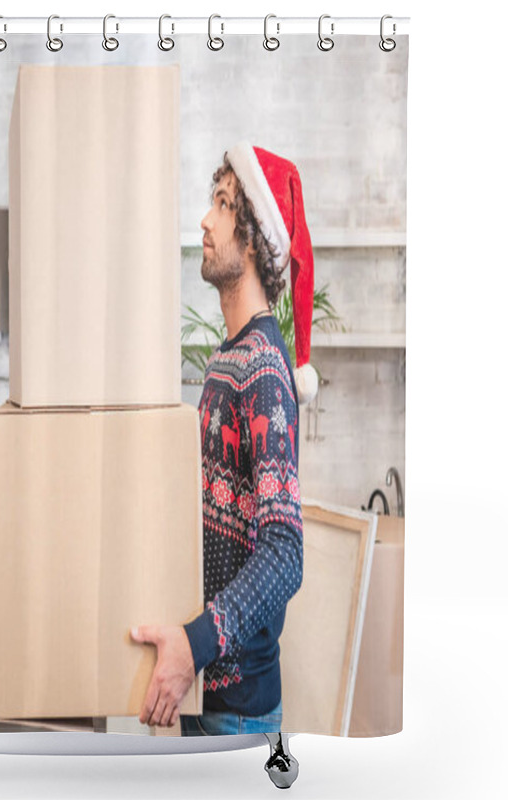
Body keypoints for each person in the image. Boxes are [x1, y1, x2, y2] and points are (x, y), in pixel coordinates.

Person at [130, 142, 319, 734]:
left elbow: (285, 555)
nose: (206, 221)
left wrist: (194, 644)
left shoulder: (262, 370)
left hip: (236, 713)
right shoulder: (226, 360)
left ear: (256, 236)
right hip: (206, 695)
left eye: (223, 205)